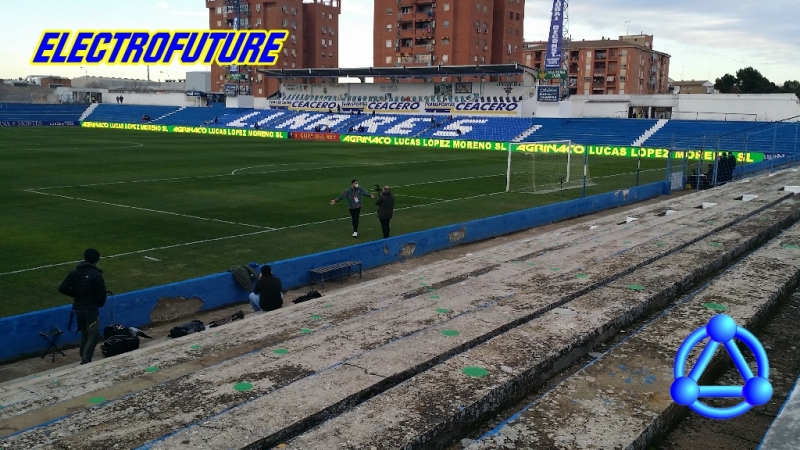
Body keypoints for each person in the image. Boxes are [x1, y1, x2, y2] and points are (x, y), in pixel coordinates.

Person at [58, 248, 107, 364]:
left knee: (85, 333)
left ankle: (83, 355)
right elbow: (101, 296)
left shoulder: (74, 273)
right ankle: (86, 359)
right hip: (90, 310)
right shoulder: (96, 275)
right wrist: (96, 303)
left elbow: (62, 288)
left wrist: (77, 295)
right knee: (94, 335)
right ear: (96, 260)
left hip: (78, 309)